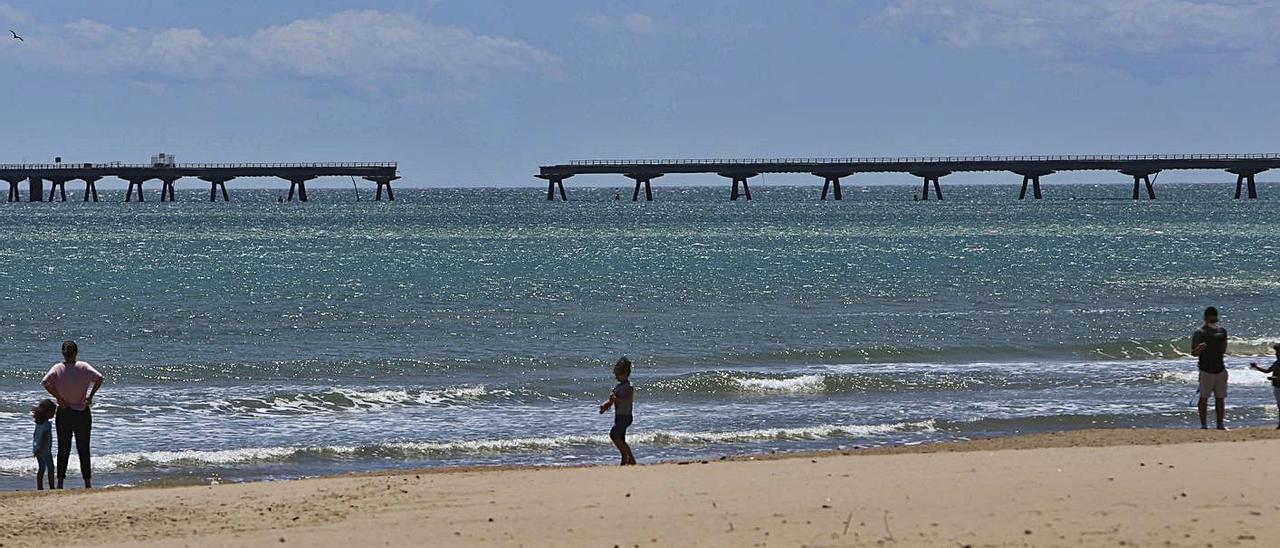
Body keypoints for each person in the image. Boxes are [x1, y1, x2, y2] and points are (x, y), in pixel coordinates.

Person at [41, 341, 103, 488]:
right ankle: (87, 483)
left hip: (64, 412)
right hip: (82, 413)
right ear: (76, 352)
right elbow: (99, 378)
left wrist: (59, 398)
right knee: (84, 448)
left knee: (64, 448)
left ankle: (60, 483)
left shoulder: (58, 368)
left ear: (63, 353)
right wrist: (90, 396)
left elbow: (45, 382)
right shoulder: (83, 367)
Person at [1191, 307, 1228, 430]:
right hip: (1205, 369)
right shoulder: (1200, 332)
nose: (1214, 319)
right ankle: (1203, 425)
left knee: (1220, 398)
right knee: (1204, 398)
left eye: (1215, 317)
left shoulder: (1222, 331)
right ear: (1206, 318)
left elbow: (1223, 349)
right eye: (1212, 317)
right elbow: (1193, 353)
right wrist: (1199, 349)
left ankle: (1220, 424)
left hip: (1220, 368)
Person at [599, 356, 636, 465]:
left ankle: (625, 456)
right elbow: (612, 401)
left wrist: (616, 400)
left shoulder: (629, 387)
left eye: (618, 375)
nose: (616, 377)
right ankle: (631, 461)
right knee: (621, 439)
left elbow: (627, 400)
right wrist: (605, 405)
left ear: (625, 374)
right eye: (615, 375)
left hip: (626, 417)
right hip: (618, 416)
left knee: (614, 434)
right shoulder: (617, 387)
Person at [1249, 344, 1280, 429]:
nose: (1276, 354)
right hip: (1277, 387)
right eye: (1276, 352)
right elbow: (1267, 371)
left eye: (1278, 352)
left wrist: (1275, 378)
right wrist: (1256, 367)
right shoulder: (1276, 362)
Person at [31, 399, 55, 490]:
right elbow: (45, 438)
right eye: (53, 412)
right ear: (47, 413)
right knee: (51, 468)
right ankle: (52, 487)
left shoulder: (38, 424)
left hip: (37, 448)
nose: (54, 414)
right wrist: (41, 448)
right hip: (45, 450)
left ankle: (39, 487)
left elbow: (35, 436)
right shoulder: (47, 424)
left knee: (41, 468)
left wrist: (36, 448)